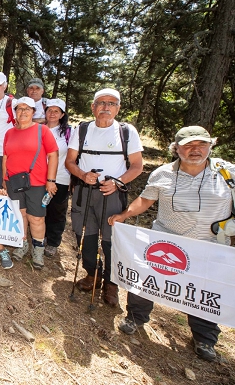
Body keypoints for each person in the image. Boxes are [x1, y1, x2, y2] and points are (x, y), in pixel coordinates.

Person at [109, 126, 229, 362]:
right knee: (148, 281)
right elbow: (145, 200)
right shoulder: (162, 174)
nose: (195, 150)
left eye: (201, 145)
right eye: (188, 146)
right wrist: (124, 215)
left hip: (209, 245)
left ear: (210, 146)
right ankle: (135, 317)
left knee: (204, 293)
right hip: (165, 241)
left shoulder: (227, 173)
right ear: (176, 149)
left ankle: (204, 338)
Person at [65, 88, 143, 306]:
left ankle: (111, 283)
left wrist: (118, 182)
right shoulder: (82, 130)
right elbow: (70, 161)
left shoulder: (127, 132)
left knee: (110, 240)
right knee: (84, 236)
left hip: (112, 194)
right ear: (93, 107)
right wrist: (82, 174)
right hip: (83, 192)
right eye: (101, 103)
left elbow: (137, 166)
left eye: (111, 103)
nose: (106, 107)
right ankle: (94, 274)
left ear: (118, 108)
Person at [2, 97, 58, 269]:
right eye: (19, 108)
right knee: (21, 215)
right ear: (15, 112)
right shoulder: (9, 133)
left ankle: (38, 249)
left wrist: (51, 180)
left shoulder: (43, 131)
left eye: (27, 109)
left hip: (37, 182)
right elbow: (5, 156)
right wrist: (5, 179)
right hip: (14, 181)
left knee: (37, 217)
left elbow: (53, 155)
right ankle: (22, 243)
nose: (23, 112)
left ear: (34, 112)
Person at [43, 99, 72, 257]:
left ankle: (53, 242)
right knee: (42, 208)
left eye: (56, 111)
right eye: (49, 110)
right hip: (40, 177)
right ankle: (41, 237)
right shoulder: (40, 129)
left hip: (61, 177)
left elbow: (74, 156)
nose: (52, 114)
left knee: (57, 210)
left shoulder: (69, 132)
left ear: (62, 114)